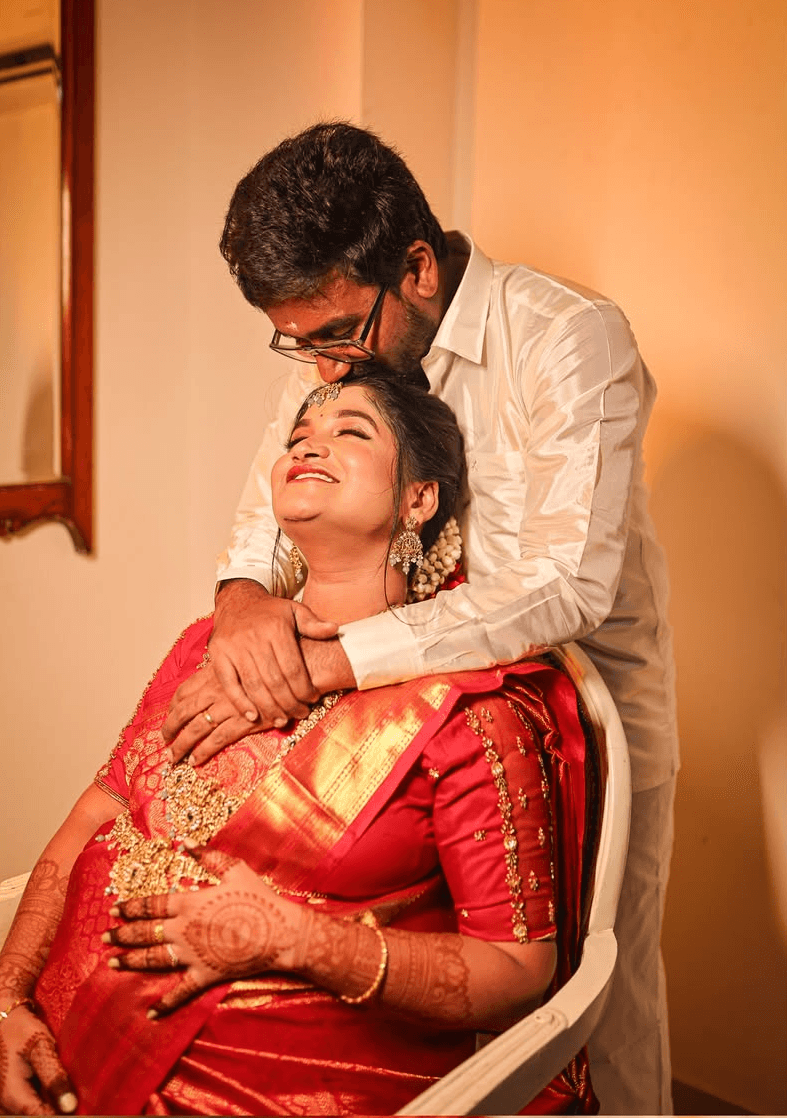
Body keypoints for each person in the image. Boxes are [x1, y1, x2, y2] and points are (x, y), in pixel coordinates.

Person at [164, 122, 679, 1116]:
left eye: (334, 334)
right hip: (401, 724)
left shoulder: (570, 335)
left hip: (587, 713)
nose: (320, 371)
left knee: (596, 994)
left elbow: (564, 584)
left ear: (417, 268)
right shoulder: (341, 346)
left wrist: (331, 661)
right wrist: (242, 609)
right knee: (400, 978)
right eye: (297, 342)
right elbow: (257, 528)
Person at [0, 374, 598, 1117]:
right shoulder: (207, 648)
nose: (309, 444)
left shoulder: (471, 711)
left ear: (418, 499)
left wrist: (296, 939)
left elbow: (517, 970)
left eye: (352, 430)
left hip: (267, 1084)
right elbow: (97, 814)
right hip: (52, 1049)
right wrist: (6, 1001)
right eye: (298, 436)